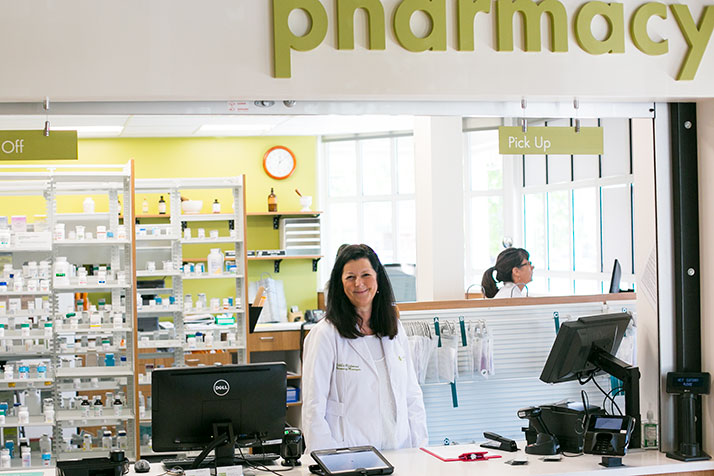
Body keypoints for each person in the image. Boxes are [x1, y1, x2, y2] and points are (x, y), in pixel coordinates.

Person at [302, 244, 428, 453]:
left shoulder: (394, 329)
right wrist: (326, 459)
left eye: (366, 275)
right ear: (340, 284)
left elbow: (411, 395)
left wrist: (420, 448)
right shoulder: (325, 334)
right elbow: (313, 407)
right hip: (347, 455)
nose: (358, 283)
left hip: (400, 450)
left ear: (378, 280)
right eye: (350, 277)